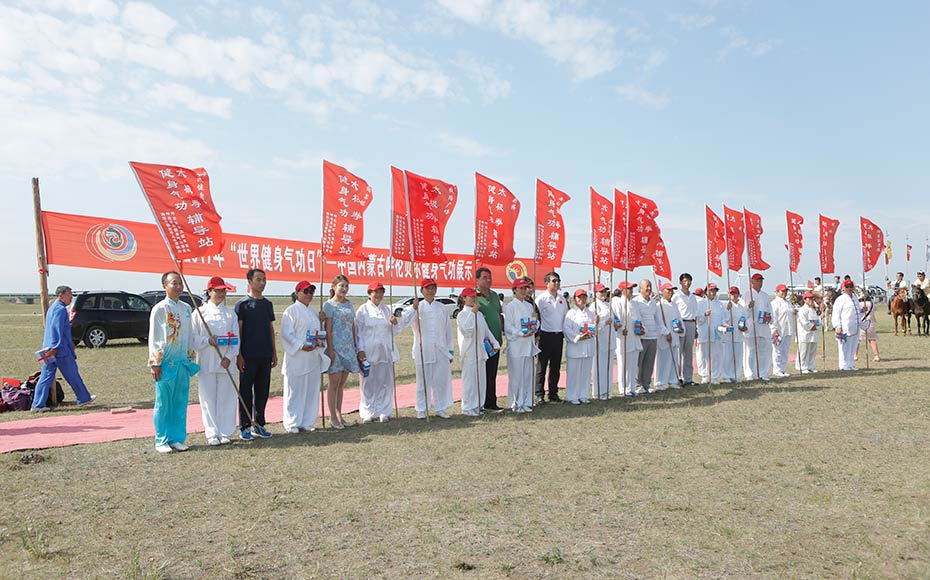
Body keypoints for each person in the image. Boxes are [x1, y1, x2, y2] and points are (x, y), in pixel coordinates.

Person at [148, 271, 199, 453]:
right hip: (166, 363)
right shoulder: (160, 309)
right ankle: (161, 440)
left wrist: (190, 358)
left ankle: (177, 438)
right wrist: (155, 363)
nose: (178, 287)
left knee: (180, 402)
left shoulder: (186, 309)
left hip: (182, 363)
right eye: (174, 283)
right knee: (163, 403)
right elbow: (155, 337)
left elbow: (189, 335)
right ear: (165, 286)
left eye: (180, 283)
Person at [31, 285, 96, 412]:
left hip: (49, 349)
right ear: (61, 295)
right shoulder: (60, 310)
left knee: (46, 377)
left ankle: (37, 404)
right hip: (59, 350)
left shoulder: (52, 308)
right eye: (69, 295)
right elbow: (57, 329)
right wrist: (55, 347)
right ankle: (83, 398)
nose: (71, 298)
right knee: (72, 374)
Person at [191, 276, 239, 445]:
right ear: (209, 292)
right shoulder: (199, 313)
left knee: (227, 398)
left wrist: (229, 357)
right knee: (208, 398)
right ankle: (212, 433)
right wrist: (207, 341)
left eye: (223, 290)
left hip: (226, 363)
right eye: (217, 290)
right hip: (207, 362)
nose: (221, 294)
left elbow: (236, 340)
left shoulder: (231, 314)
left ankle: (225, 431)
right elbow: (193, 338)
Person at [400, 278, 455, 419]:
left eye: (433, 288)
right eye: (427, 288)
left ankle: (440, 407)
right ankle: (422, 408)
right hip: (423, 349)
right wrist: (413, 308)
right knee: (423, 381)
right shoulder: (417, 307)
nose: (430, 291)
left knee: (440, 380)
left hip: (440, 349)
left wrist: (450, 350)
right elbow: (404, 323)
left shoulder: (441, 308)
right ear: (421, 291)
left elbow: (448, 331)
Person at [280, 281, 328, 433]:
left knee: (311, 390)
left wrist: (322, 324)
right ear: (297, 293)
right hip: (297, 357)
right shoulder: (291, 311)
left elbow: (319, 333)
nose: (309, 295)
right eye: (305, 291)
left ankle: (307, 421)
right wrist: (301, 345)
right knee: (295, 391)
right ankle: (292, 422)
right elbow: (287, 334)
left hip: (312, 357)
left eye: (311, 292)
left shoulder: (314, 312)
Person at [235, 268, 276, 440]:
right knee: (246, 391)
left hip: (265, 354)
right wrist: (239, 354)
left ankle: (259, 424)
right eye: (258, 279)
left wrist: (274, 352)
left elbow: (270, 329)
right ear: (250, 282)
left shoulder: (267, 304)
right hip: (248, 355)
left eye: (264, 279)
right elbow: (239, 331)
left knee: (262, 391)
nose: (262, 283)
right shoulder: (242, 304)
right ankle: (245, 426)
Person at [355, 282, 401, 423]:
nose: (379, 295)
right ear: (369, 294)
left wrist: (395, 323)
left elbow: (395, 332)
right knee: (367, 383)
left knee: (385, 382)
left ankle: (384, 411)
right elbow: (358, 333)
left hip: (385, 352)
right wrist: (360, 350)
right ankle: (368, 412)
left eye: (381, 292)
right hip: (368, 352)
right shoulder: (362, 310)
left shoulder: (387, 310)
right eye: (376, 292)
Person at [322, 275, 360, 429]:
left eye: (346, 286)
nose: (344, 289)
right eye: (341, 286)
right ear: (334, 287)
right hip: (336, 348)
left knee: (341, 384)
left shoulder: (349, 304)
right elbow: (328, 328)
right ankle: (332, 417)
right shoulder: (329, 305)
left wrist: (355, 346)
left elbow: (352, 326)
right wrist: (330, 350)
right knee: (334, 383)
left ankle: (339, 414)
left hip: (348, 347)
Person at [456, 287, 500, 416]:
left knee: (480, 380)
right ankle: (468, 407)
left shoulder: (479, 314)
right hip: (469, 352)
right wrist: (472, 314)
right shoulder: (462, 315)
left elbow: (486, 331)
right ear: (464, 298)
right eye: (471, 296)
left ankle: (478, 405)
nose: (474, 299)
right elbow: (467, 331)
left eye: (475, 296)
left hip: (480, 352)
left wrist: (494, 343)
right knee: (470, 381)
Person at [504, 278, 538, 412]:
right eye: (521, 288)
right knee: (516, 376)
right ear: (515, 290)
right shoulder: (510, 306)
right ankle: (516, 403)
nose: (524, 291)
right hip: (516, 345)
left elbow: (534, 324)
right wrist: (520, 333)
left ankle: (526, 401)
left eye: (525, 288)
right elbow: (508, 327)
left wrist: (535, 321)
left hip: (528, 345)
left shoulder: (529, 306)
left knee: (527, 375)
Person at [534, 272, 568, 404]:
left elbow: (566, 317)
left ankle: (553, 393)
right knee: (541, 367)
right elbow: (536, 317)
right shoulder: (541, 299)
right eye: (554, 281)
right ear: (547, 283)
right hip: (545, 335)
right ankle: (539, 394)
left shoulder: (562, 299)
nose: (557, 283)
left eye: (558, 280)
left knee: (555, 367)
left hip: (558, 336)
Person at [475, 267, 504, 412]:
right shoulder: (473, 296)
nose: (488, 280)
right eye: (484, 278)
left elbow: (499, 315)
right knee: (482, 374)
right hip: (482, 342)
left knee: (492, 373)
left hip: (495, 341)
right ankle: (480, 402)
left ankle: (491, 402)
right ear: (477, 280)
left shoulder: (494, 296)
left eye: (489, 277)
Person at [633, 279, 669, 393]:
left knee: (649, 362)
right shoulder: (636, 302)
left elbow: (658, 319)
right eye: (647, 286)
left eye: (650, 286)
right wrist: (642, 330)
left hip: (653, 336)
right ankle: (637, 385)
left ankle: (646, 384)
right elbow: (637, 319)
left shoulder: (653, 302)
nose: (649, 289)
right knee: (639, 362)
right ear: (640, 289)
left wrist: (665, 331)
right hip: (642, 337)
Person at [563, 289, 595, 405]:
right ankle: (572, 396)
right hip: (575, 347)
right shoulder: (571, 313)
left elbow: (593, 328)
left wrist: (595, 327)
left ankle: (583, 394)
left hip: (588, 346)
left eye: (584, 297)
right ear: (575, 299)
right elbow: (566, 329)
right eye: (579, 297)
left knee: (586, 373)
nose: (582, 300)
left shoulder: (590, 313)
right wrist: (577, 337)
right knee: (573, 373)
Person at [611, 281, 643, 396]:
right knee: (623, 365)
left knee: (633, 365)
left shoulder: (634, 303)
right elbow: (616, 321)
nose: (631, 291)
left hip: (635, 337)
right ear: (622, 290)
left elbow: (638, 319)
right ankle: (623, 388)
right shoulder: (618, 303)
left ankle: (632, 387)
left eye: (631, 289)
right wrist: (620, 329)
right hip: (623, 338)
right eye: (628, 289)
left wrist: (641, 329)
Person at [741, 273, 774, 381]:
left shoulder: (765, 296)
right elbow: (742, 312)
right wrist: (748, 306)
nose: (760, 283)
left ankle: (763, 373)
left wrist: (770, 318)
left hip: (763, 326)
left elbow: (770, 310)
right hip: (751, 326)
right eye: (758, 280)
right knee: (750, 351)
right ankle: (750, 373)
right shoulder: (747, 294)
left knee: (764, 351)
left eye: (761, 280)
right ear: (752, 282)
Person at [720, 286, 752, 383]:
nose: (733, 295)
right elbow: (723, 320)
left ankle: (736, 376)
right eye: (731, 293)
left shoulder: (741, 307)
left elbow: (745, 320)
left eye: (735, 293)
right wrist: (727, 310)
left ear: (738, 294)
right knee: (727, 357)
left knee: (738, 357)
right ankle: (726, 376)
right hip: (729, 336)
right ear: (728, 295)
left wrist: (745, 328)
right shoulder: (725, 305)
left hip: (739, 336)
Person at [672, 273, 698, 385]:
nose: (687, 283)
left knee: (688, 352)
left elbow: (695, 313)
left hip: (691, 323)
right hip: (681, 323)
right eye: (685, 281)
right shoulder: (676, 296)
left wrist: (695, 328)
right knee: (679, 351)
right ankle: (677, 377)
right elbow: (673, 311)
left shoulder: (693, 296)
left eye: (689, 281)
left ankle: (688, 378)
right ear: (681, 282)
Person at [696, 283, 726, 384]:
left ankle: (714, 376)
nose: (713, 292)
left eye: (714, 290)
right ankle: (704, 375)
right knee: (702, 355)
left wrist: (725, 326)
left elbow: (724, 318)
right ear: (706, 291)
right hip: (704, 332)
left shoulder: (720, 304)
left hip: (717, 333)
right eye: (711, 290)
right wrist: (704, 315)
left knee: (716, 355)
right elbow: (697, 319)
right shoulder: (700, 303)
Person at [655, 282, 682, 390]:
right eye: (668, 290)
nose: (671, 292)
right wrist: (666, 332)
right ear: (662, 291)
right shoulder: (659, 306)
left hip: (675, 335)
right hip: (664, 336)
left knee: (674, 358)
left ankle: (673, 380)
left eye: (672, 290)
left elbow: (678, 318)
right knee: (662, 359)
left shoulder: (674, 305)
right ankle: (659, 382)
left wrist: (681, 327)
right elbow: (658, 322)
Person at [589, 283, 614, 400]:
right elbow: (593, 326)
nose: (604, 294)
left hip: (609, 339)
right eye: (601, 292)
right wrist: (604, 323)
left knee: (608, 366)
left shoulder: (608, 305)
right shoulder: (593, 307)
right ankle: (598, 391)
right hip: (599, 340)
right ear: (596, 293)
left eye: (605, 291)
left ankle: (607, 390)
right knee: (599, 367)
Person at [831, 280, 861, 371]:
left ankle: (850, 364)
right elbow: (836, 313)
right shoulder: (840, 299)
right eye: (847, 287)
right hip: (845, 327)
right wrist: (838, 326)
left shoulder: (855, 298)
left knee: (853, 346)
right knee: (844, 347)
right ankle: (843, 365)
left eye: (851, 286)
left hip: (855, 326)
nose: (849, 289)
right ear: (843, 288)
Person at [770, 283, 794, 378]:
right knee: (778, 351)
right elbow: (773, 317)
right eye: (782, 291)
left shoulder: (788, 303)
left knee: (785, 351)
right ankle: (777, 369)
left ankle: (783, 369)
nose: (784, 293)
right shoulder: (775, 303)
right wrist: (774, 329)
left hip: (788, 329)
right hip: (779, 330)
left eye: (785, 291)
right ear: (777, 292)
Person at [796, 291, 821, 373]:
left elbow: (817, 320)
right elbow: (804, 322)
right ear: (805, 300)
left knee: (812, 351)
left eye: (812, 298)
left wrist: (818, 324)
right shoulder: (802, 310)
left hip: (814, 333)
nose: (811, 300)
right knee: (803, 351)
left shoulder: (813, 310)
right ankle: (802, 367)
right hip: (805, 333)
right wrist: (811, 327)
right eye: (809, 298)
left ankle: (811, 366)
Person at [856, 291, 880, 363]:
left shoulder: (858, 304)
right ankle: (876, 355)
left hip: (861, 323)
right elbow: (875, 310)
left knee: (857, 340)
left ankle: (855, 355)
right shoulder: (872, 304)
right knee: (872, 340)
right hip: (870, 322)